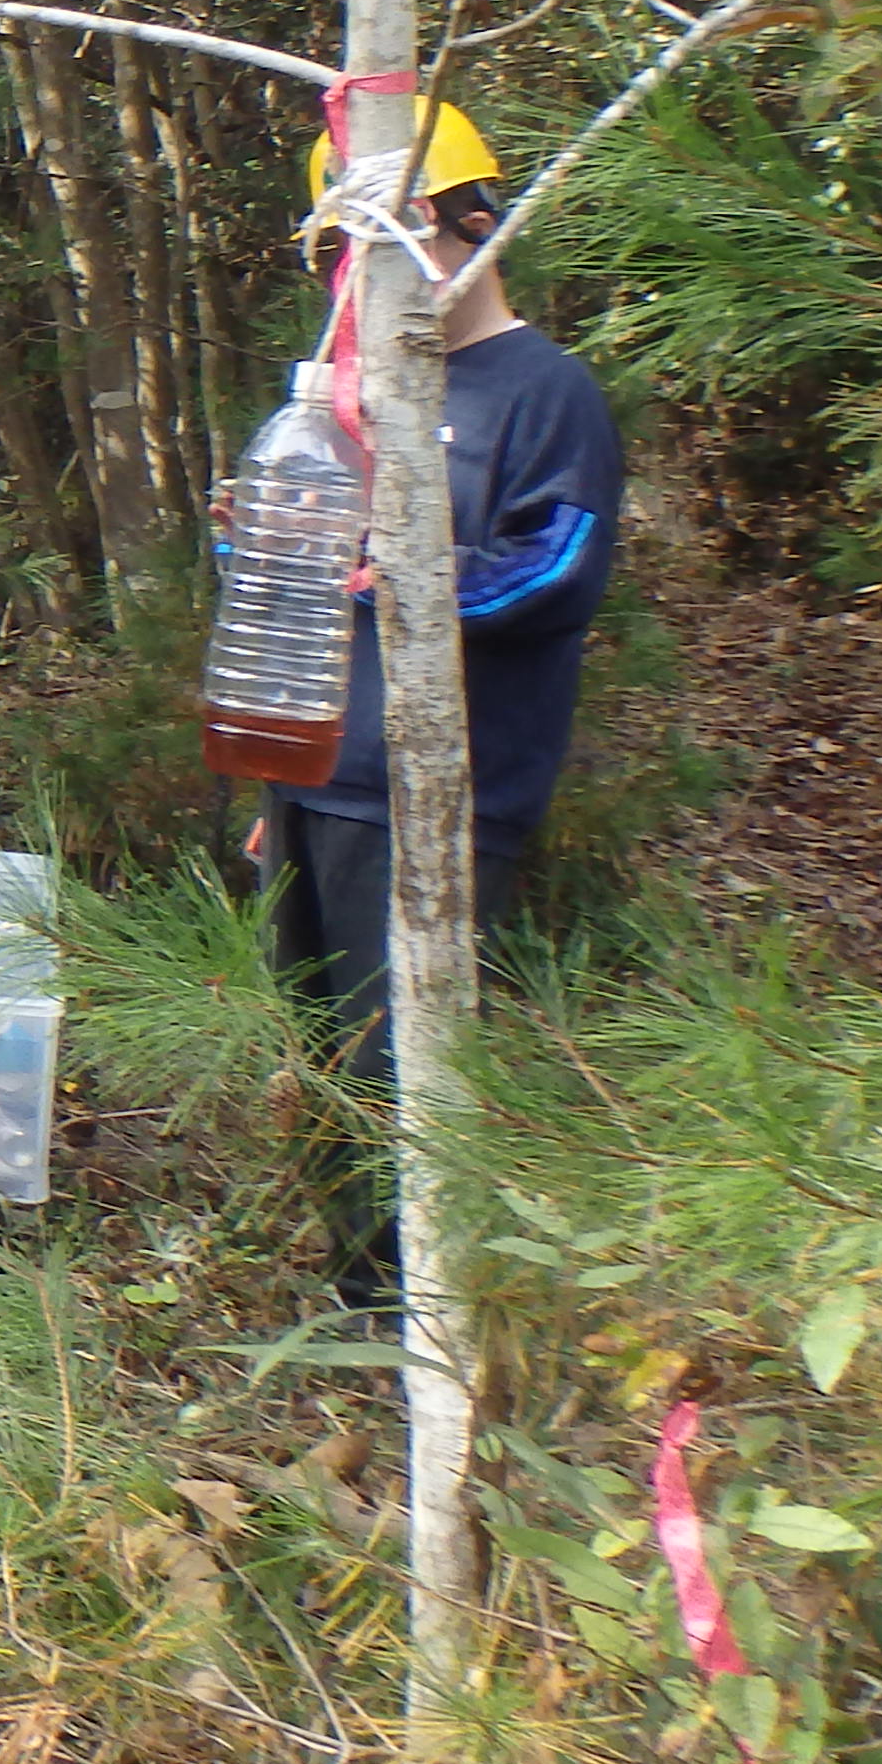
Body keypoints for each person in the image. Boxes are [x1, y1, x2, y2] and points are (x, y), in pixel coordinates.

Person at [260, 97, 622, 1315]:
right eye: (347, 259)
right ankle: (357, 1305)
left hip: (438, 797)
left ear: (464, 224)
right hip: (312, 776)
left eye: (391, 249)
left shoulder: (545, 389)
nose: (369, 283)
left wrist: (394, 572)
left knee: (404, 1068)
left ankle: (425, 1322)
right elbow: (301, 578)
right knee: (320, 1058)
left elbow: (556, 564)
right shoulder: (354, 395)